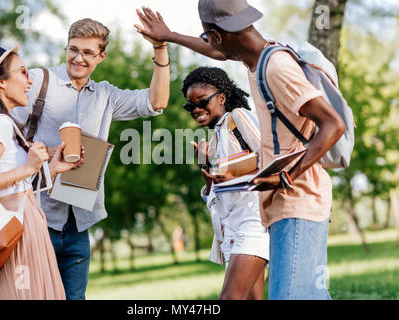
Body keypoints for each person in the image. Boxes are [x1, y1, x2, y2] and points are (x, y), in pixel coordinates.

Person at [135, 1, 345, 300]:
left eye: (208, 36)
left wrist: (287, 176)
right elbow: (216, 51)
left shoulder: (275, 67)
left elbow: (332, 124)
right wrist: (169, 36)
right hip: (281, 202)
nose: (208, 44)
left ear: (218, 35)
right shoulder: (255, 61)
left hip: (299, 198)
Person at [11, 16, 170, 300]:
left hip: (78, 221)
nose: (78, 58)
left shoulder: (105, 95)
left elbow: (155, 102)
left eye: (87, 52)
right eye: (73, 49)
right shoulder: (37, 82)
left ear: (101, 56)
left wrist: (160, 50)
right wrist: (47, 153)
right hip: (36, 214)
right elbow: (5, 129)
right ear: (66, 48)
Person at [0, 42, 83, 299]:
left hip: (25, 226)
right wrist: (30, 166)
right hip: (15, 231)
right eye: (22, 72)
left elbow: (11, 185)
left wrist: (52, 169)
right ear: (0, 82)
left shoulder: (3, 123)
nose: (30, 81)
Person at [183, 66, 269, 300]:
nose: (197, 109)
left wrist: (234, 176)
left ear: (221, 97)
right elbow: (216, 194)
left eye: (202, 102)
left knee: (229, 298)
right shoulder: (215, 137)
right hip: (231, 227)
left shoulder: (237, 117)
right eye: (190, 106)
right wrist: (205, 166)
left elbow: (270, 160)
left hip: (252, 222)